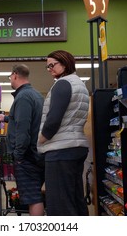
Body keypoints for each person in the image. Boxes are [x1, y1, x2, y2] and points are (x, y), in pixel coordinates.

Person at [37, 50, 90, 216]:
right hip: (76, 147)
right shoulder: (79, 84)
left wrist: (41, 139)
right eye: (48, 66)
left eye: (52, 65)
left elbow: (53, 120)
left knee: (60, 206)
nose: (50, 69)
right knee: (75, 200)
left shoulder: (63, 84)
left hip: (61, 150)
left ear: (65, 63)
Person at [0, 64, 45, 216]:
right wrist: (6, 118)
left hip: (27, 157)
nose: (10, 78)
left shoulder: (23, 96)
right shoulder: (35, 94)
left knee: (33, 197)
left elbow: (23, 129)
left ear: (15, 75)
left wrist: (18, 155)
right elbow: (26, 119)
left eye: (10, 76)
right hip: (37, 153)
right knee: (35, 194)